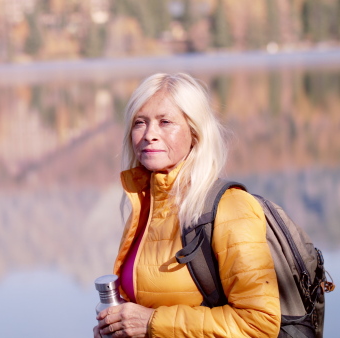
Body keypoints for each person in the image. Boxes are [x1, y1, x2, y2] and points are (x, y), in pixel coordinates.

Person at [93, 73, 281, 337]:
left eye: (165, 122)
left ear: (195, 132)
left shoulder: (231, 208)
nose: (149, 135)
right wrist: (120, 324)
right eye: (140, 123)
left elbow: (259, 324)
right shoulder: (145, 206)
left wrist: (151, 323)